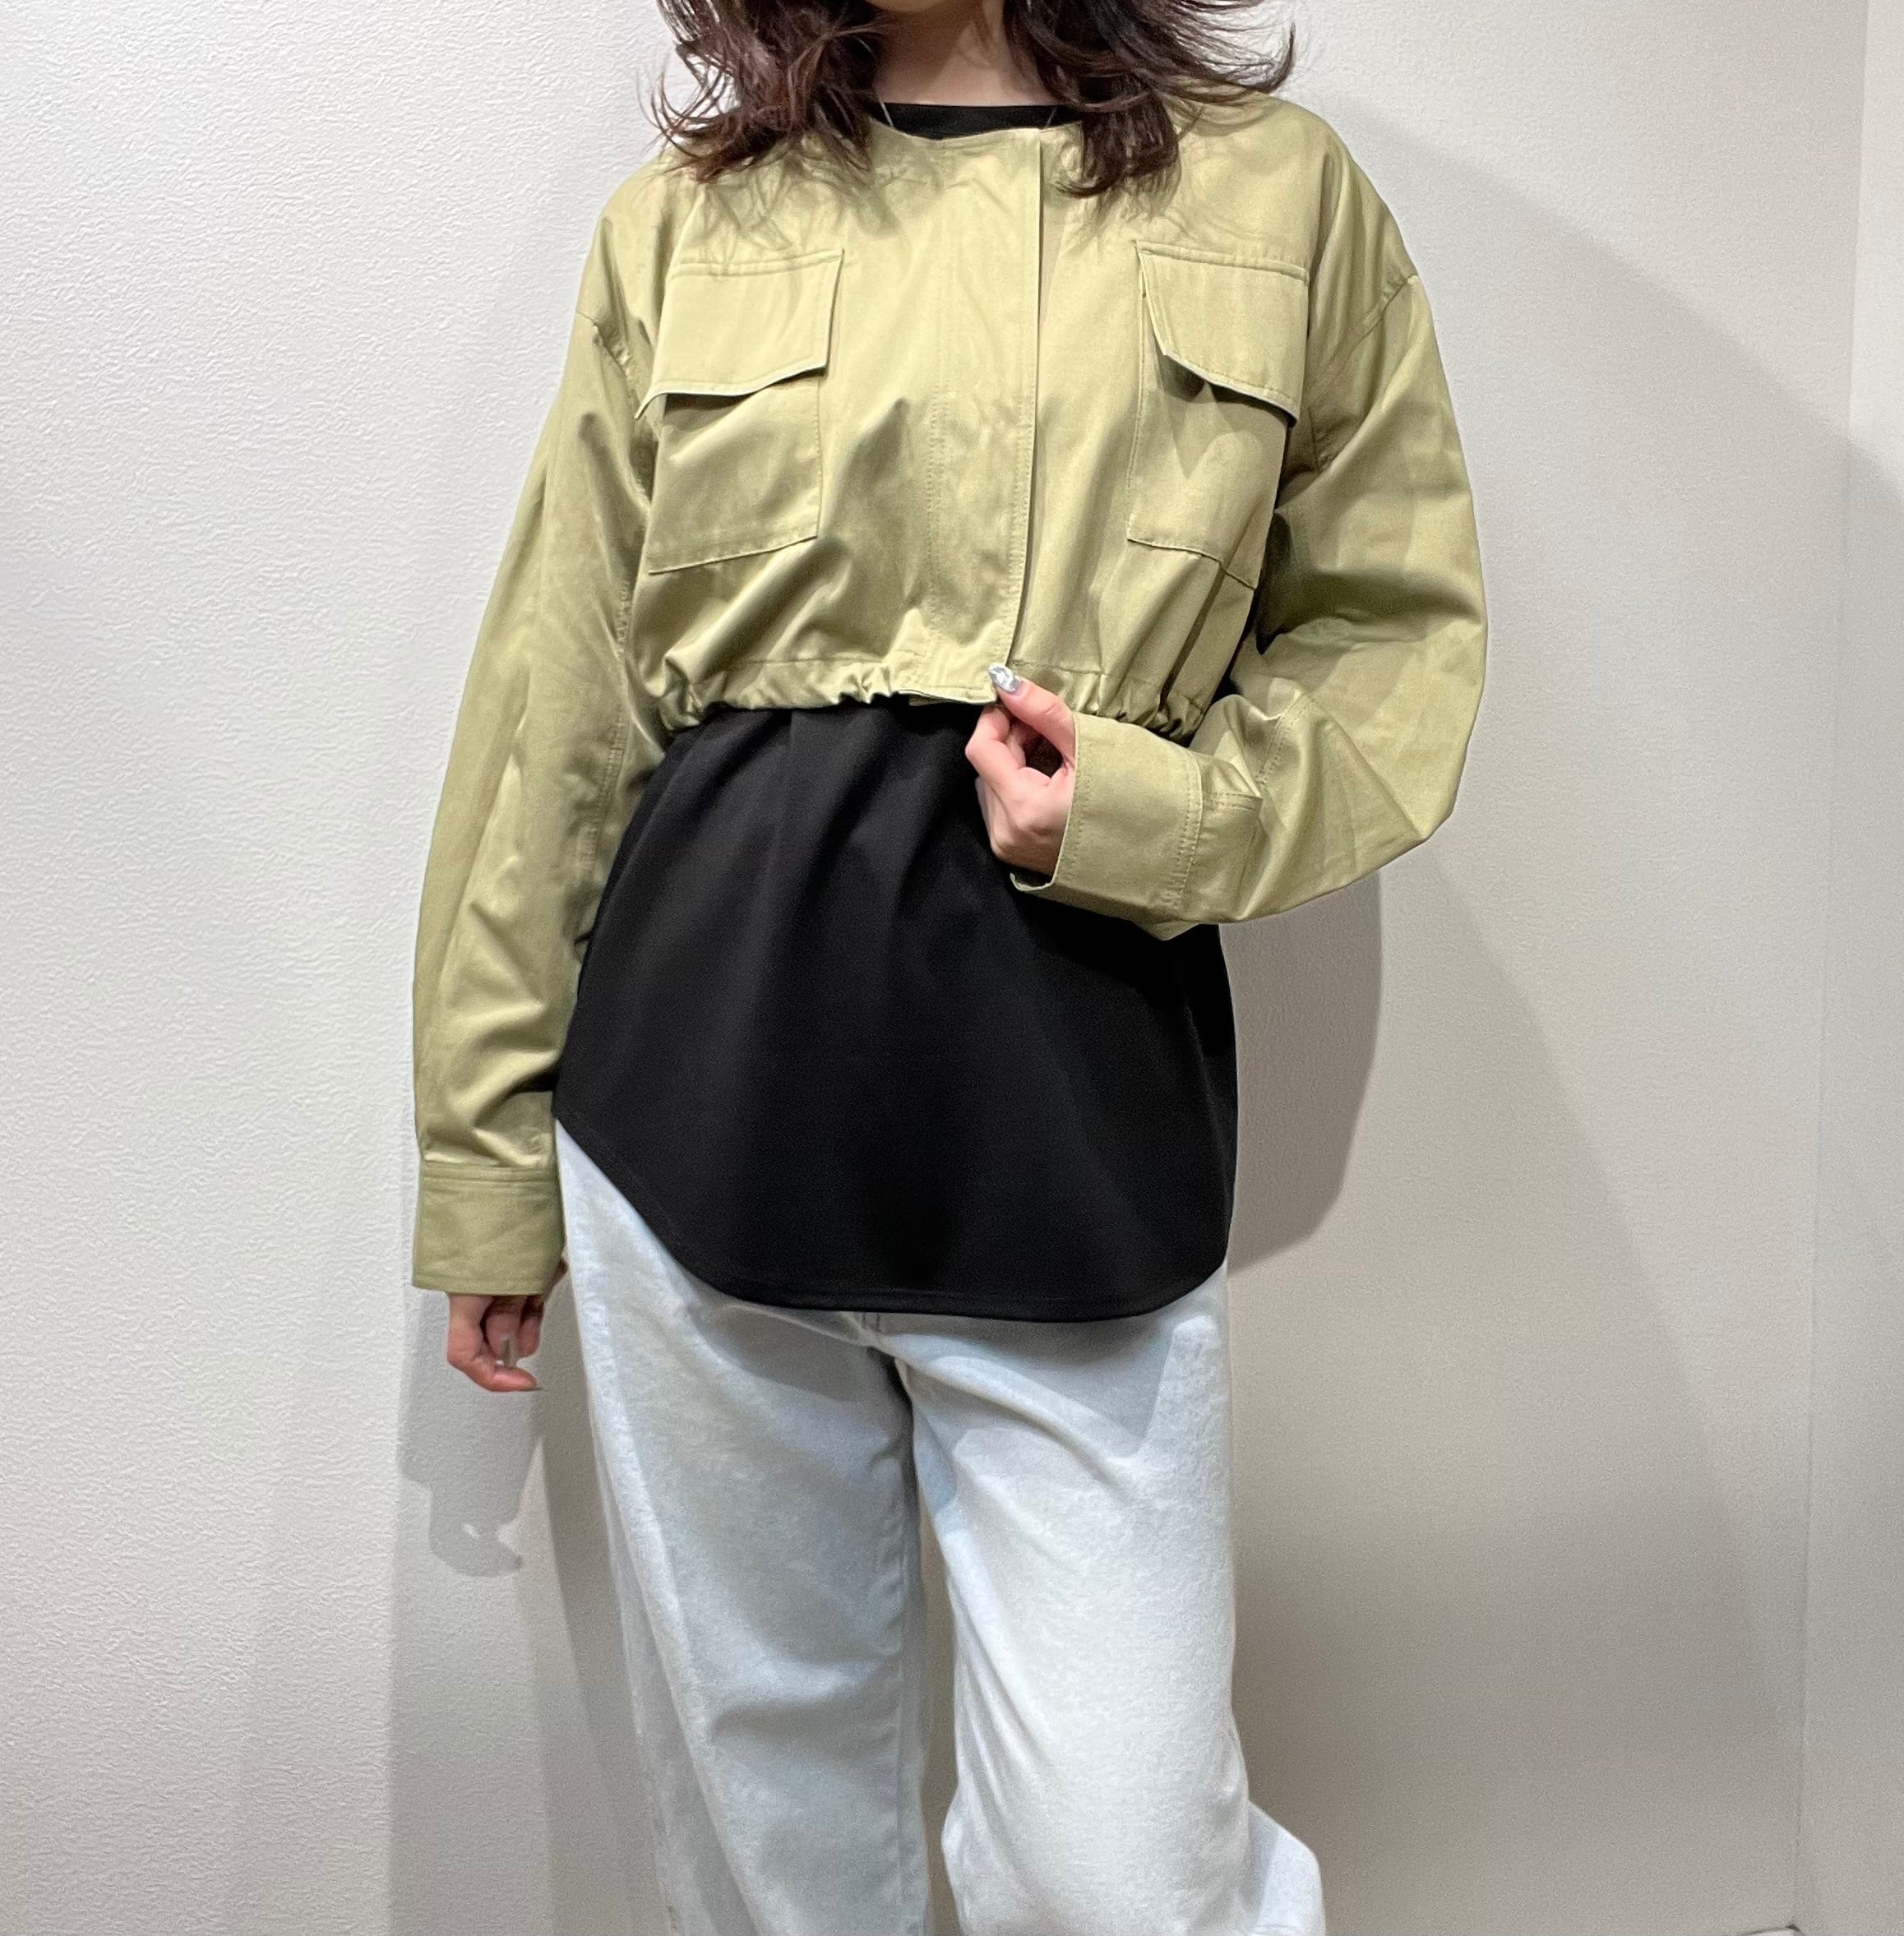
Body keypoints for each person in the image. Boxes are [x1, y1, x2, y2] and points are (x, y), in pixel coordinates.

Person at [408, 0, 1486, 1921]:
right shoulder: (686, 223)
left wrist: (1154, 813)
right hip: (696, 1116)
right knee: (770, 1840)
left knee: (1123, 1864)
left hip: (1078, 1128)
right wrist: (485, 1154)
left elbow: (1392, 644)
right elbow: (556, 708)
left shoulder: (1279, 198)